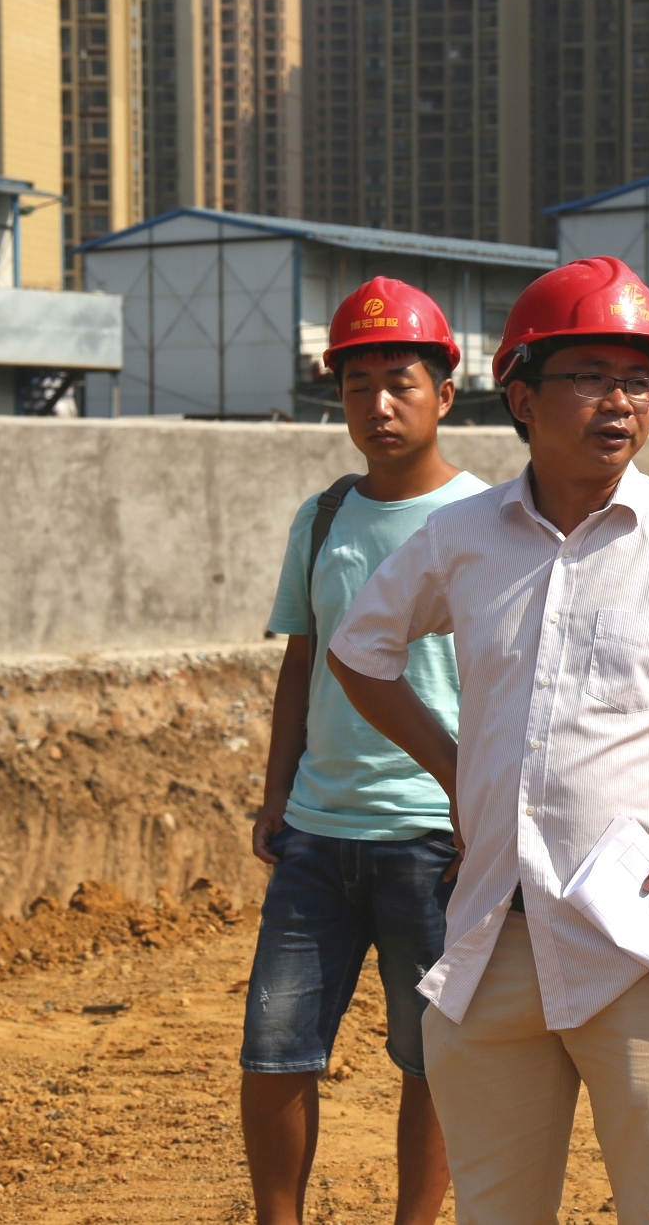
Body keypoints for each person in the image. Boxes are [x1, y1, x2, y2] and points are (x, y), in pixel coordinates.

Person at [324, 256, 649, 1225]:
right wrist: (455, 768)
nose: (620, 401)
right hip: (491, 937)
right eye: (590, 376)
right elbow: (360, 651)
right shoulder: (463, 536)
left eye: (640, 379)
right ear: (521, 396)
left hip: (638, 943)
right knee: (497, 1210)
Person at [238, 277, 490, 1225]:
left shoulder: (487, 520)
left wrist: (481, 809)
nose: (377, 406)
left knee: (433, 1059)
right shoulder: (324, 518)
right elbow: (301, 663)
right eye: (357, 387)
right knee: (275, 1049)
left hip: (434, 837)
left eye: (399, 384)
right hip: (316, 832)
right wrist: (276, 794)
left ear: (444, 393)